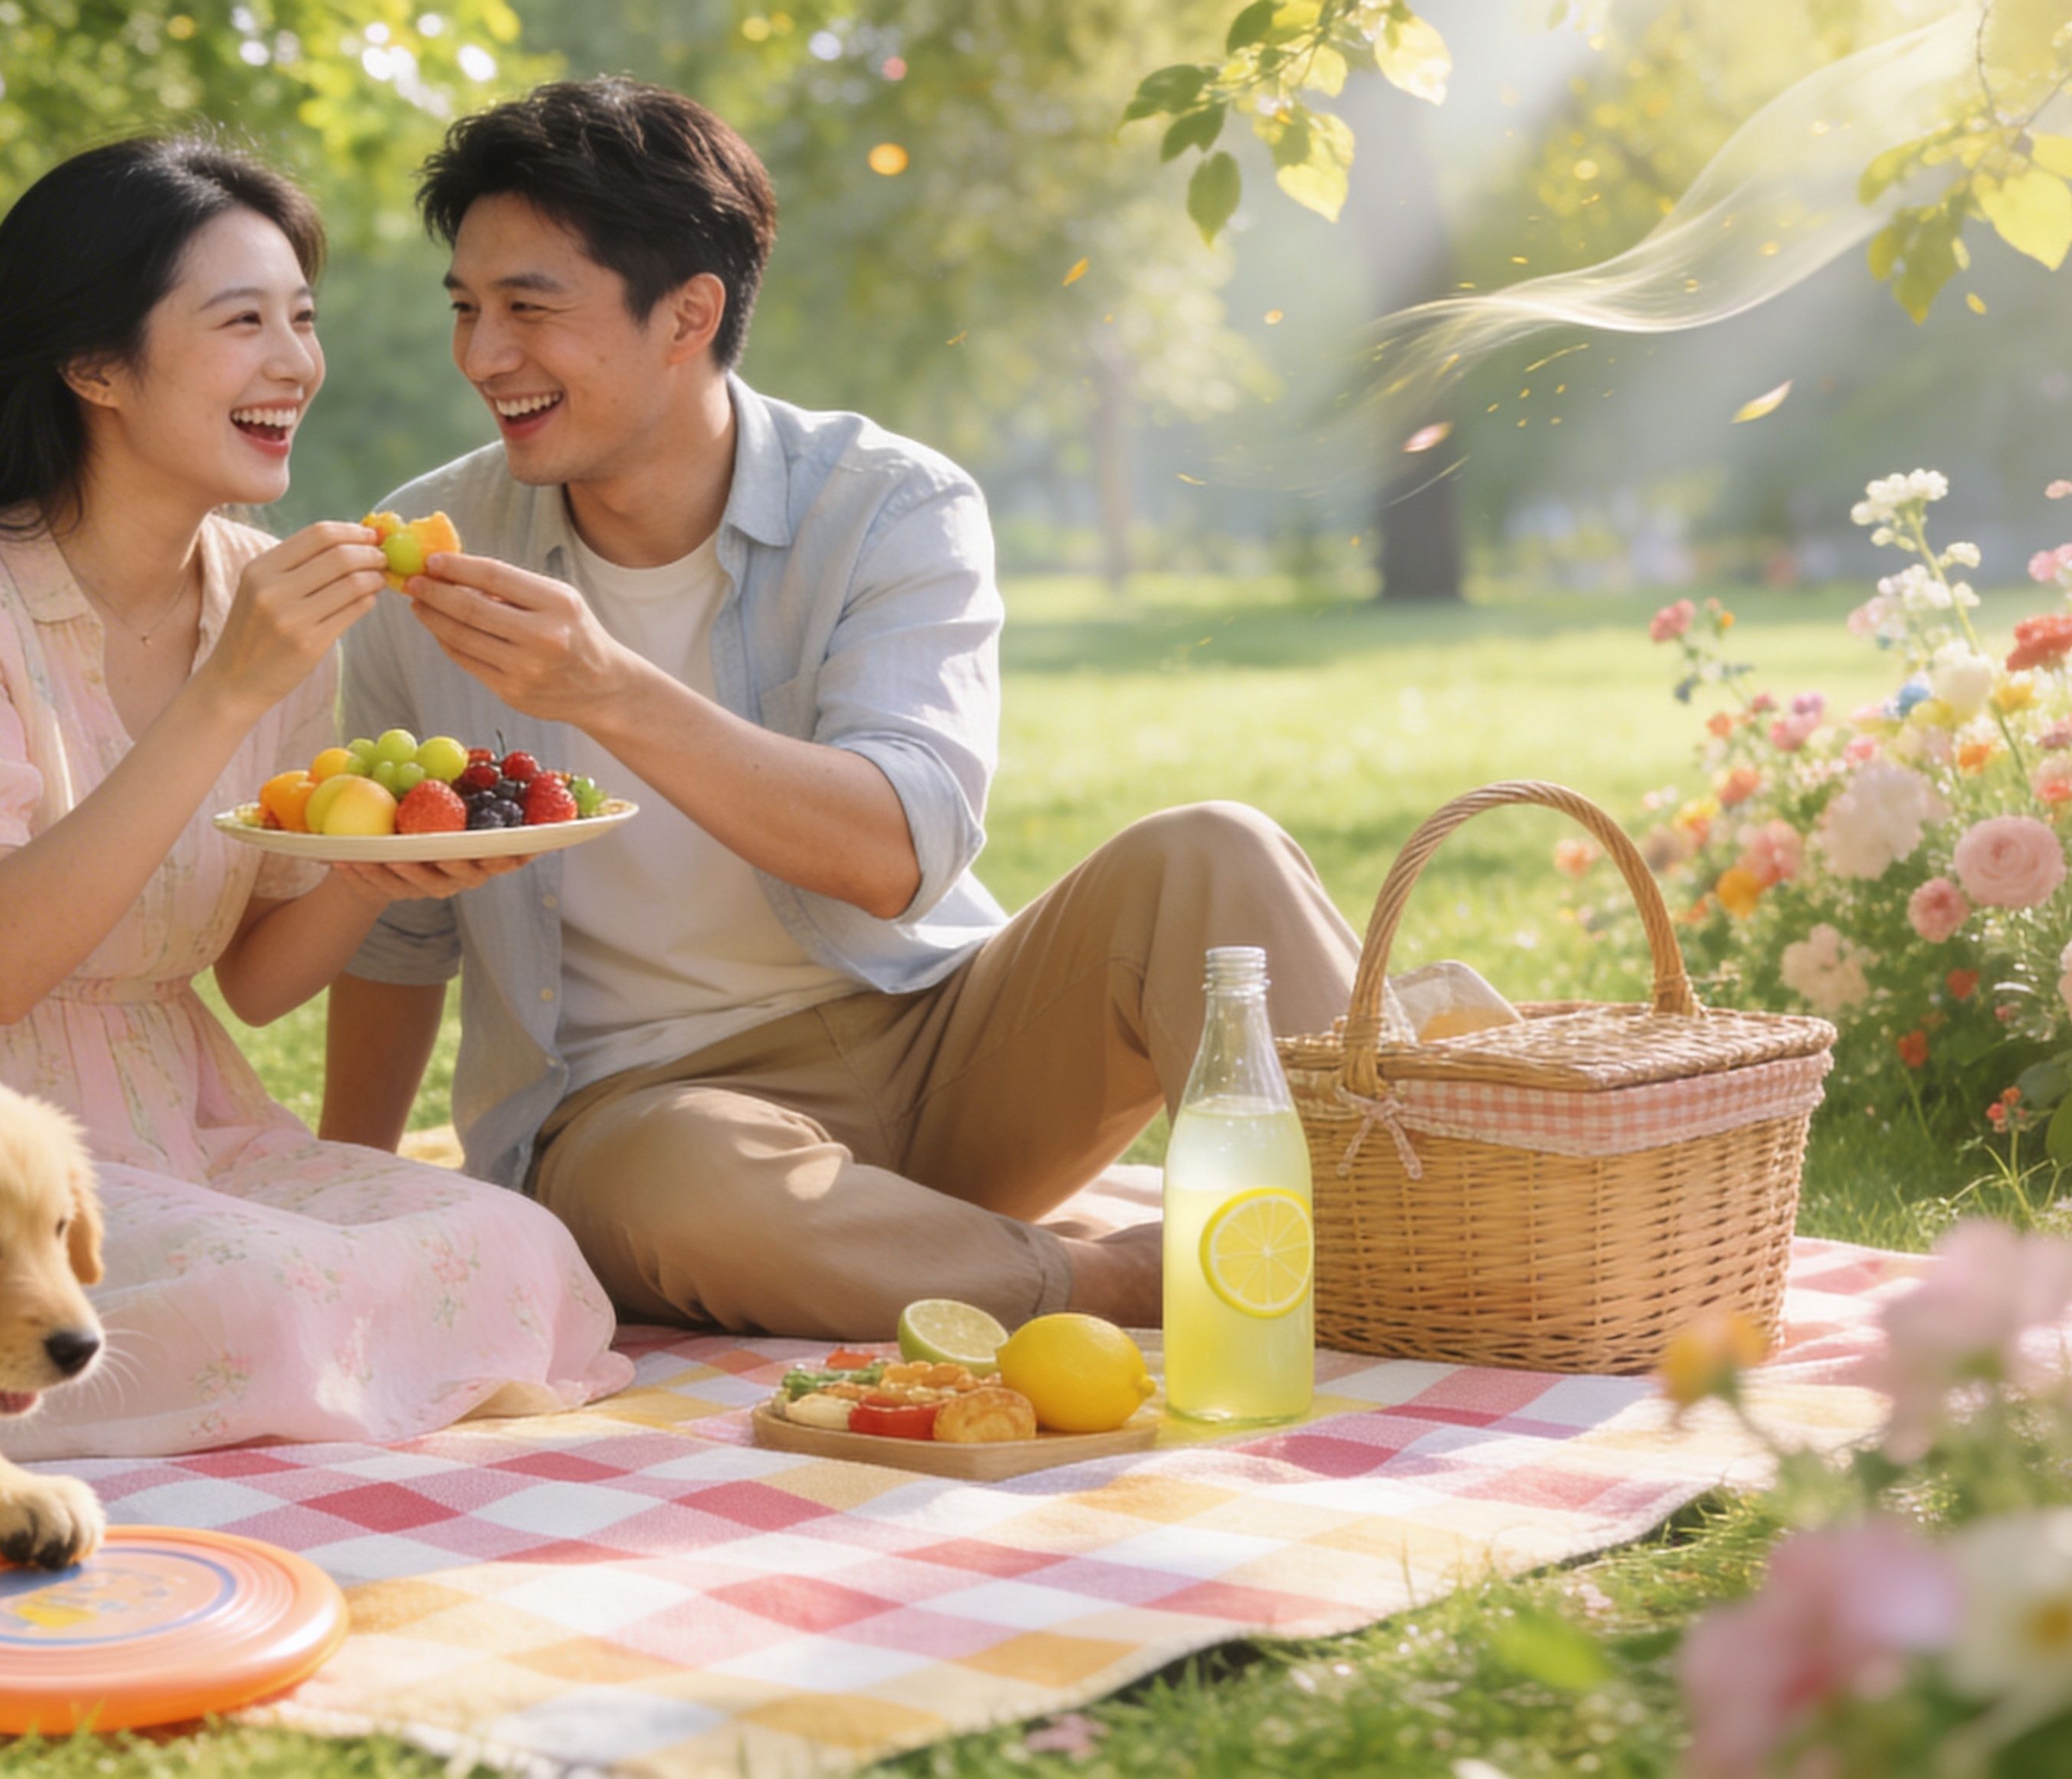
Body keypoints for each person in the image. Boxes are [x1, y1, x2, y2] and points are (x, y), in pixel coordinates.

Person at [320, 80, 1364, 1341]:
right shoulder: (430, 556)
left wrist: (605, 689)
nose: (484, 356)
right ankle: (1124, 1280)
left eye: (530, 309)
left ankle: (1411, 1233)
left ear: (688, 316)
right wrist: (344, 1213)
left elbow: (898, 852)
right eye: (469, 310)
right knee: (696, 1196)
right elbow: (392, 935)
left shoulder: (887, 505)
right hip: (646, 1117)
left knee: (1216, 855)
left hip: (935, 1038)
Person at [0, 135, 630, 1459]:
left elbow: (255, 981)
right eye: (242, 321)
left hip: (165, 1113)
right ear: (94, 366)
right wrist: (225, 695)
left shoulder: (257, 590)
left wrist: (383, 870)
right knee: (269, 1300)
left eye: (302, 320)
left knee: (514, 1245)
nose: (294, 363)